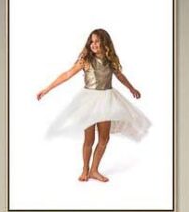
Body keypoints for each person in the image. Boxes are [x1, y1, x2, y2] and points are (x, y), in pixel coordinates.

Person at [36, 27, 149, 183]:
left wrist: (131, 88)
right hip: (88, 100)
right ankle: (85, 169)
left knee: (104, 138)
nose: (94, 44)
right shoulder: (86, 60)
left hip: (107, 100)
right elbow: (67, 74)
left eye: (97, 41)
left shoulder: (110, 61)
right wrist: (47, 89)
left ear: (105, 43)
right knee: (89, 139)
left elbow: (120, 76)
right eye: (91, 41)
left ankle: (94, 170)